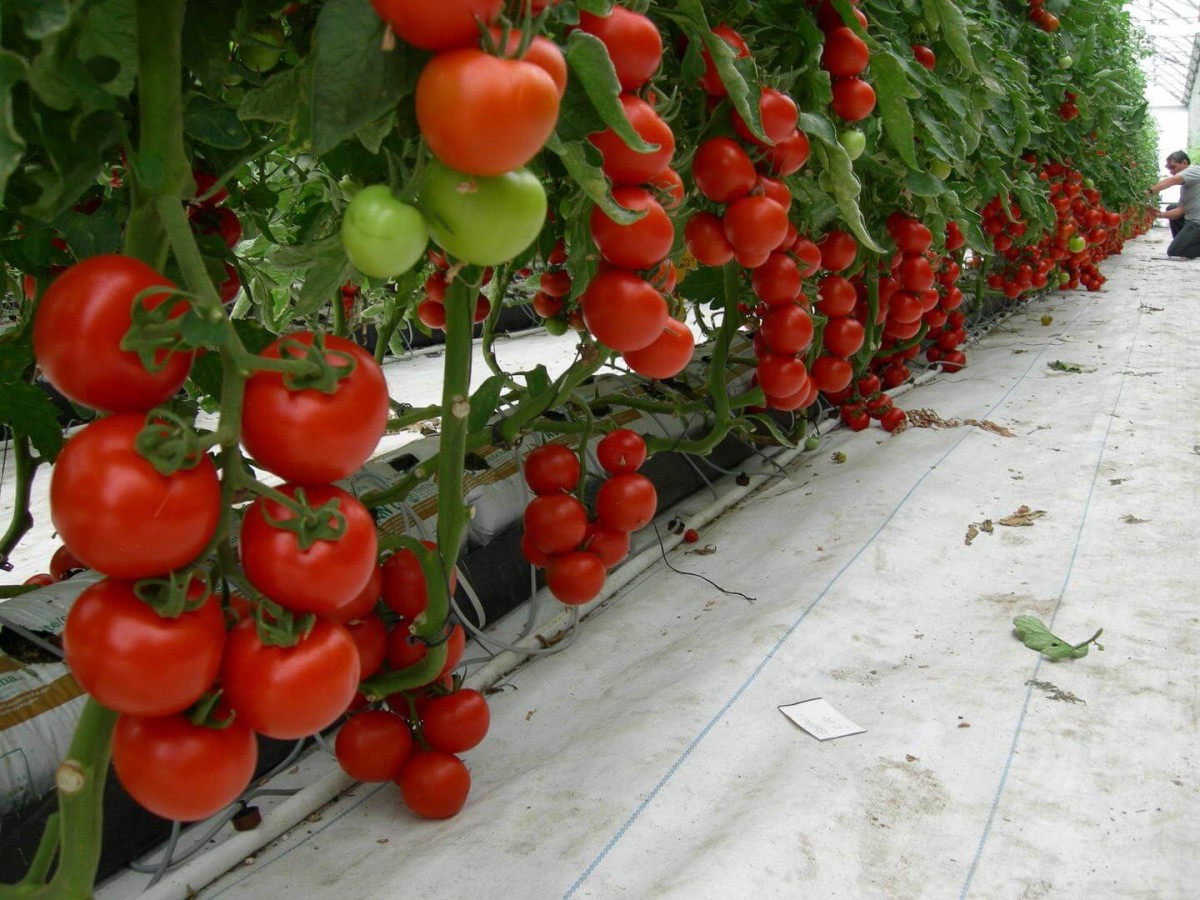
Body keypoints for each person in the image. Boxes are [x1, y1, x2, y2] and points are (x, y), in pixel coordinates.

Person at [1147, 150, 1200, 259]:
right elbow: (1180, 211)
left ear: (1184, 163)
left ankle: (1183, 247)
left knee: (1174, 251)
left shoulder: (1194, 170)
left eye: (1173, 167)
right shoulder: (1187, 187)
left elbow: (1173, 180)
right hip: (1193, 220)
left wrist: (1150, 191)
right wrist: (1160, 214)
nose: (1171, 172)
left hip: (1197, 222)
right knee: (1172, 208)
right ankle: (1184, 243)